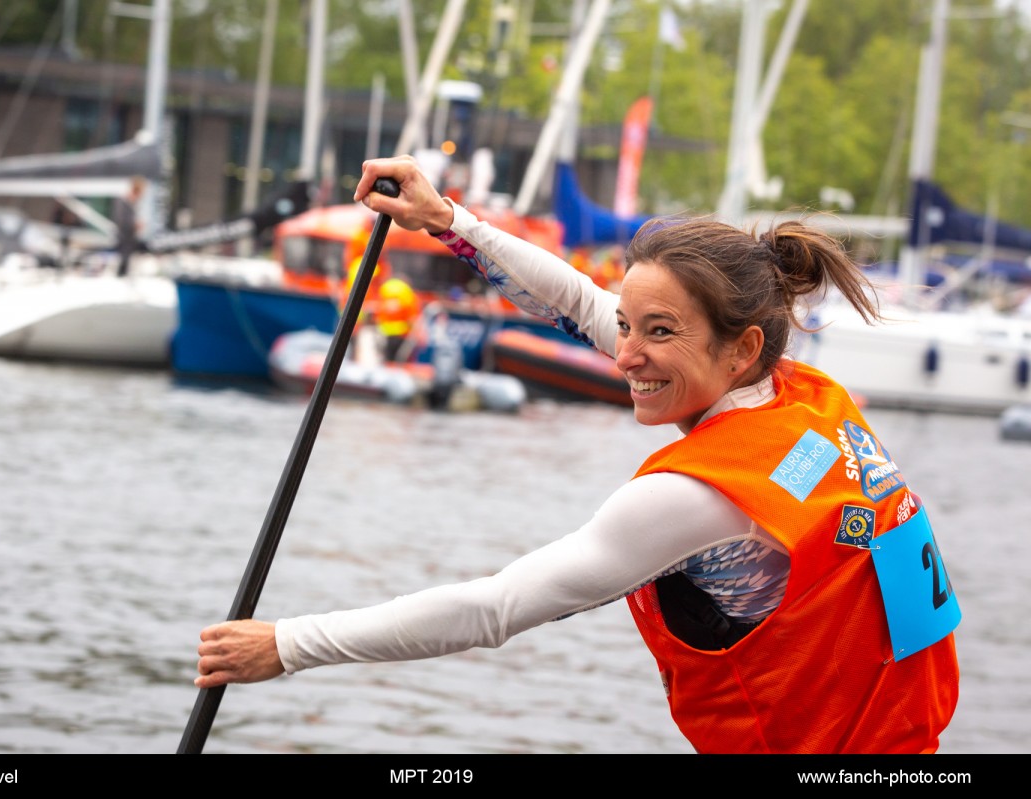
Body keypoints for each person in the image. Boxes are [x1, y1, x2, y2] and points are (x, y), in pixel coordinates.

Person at [194, 156, 960, 754]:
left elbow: (492, 609)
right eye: (629, 327)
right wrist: (446, 219)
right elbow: (582, 303)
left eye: (658, 333)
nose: (625, 355)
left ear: (741, 348)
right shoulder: (808, 398)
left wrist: (286, 645)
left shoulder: (698, 499)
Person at [114, 177, 145, 277]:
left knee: (127, 261)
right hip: (124, 236)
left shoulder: (132, 203)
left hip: (129, 236)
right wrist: (134, 224)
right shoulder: (124, 202)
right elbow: (121, 220)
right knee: (123, 261)